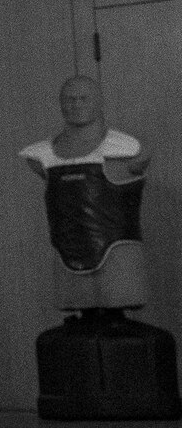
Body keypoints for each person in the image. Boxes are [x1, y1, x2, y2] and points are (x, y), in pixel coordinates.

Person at [20, 75, 153, 311]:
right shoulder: (40, 156)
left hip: (119, 263)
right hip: (66, 260)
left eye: (84, 98)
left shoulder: (127, 150)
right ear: (60, 104)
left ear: (99, 102)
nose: (76, 104)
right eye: (69, 99)